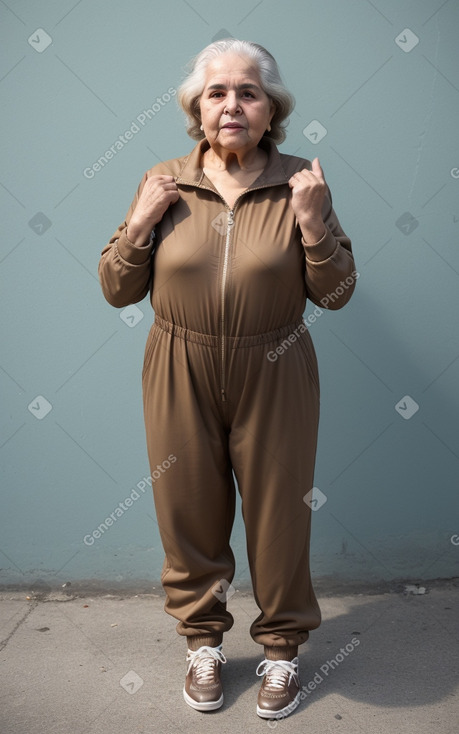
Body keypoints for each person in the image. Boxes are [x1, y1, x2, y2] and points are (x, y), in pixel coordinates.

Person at [98, 38, 356, 720]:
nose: (231, 104)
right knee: (185, 510)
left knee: (277, 514)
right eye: (216, 92)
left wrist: (311, 227)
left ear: (271, 108)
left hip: (274, 364)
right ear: (195, 108)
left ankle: (280, 653)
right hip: (177, 361)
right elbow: (116, 289)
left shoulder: (304, 181)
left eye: (248, 91)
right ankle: (203, 643)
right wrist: (141, 224)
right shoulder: (163, 180)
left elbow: (336, 293)